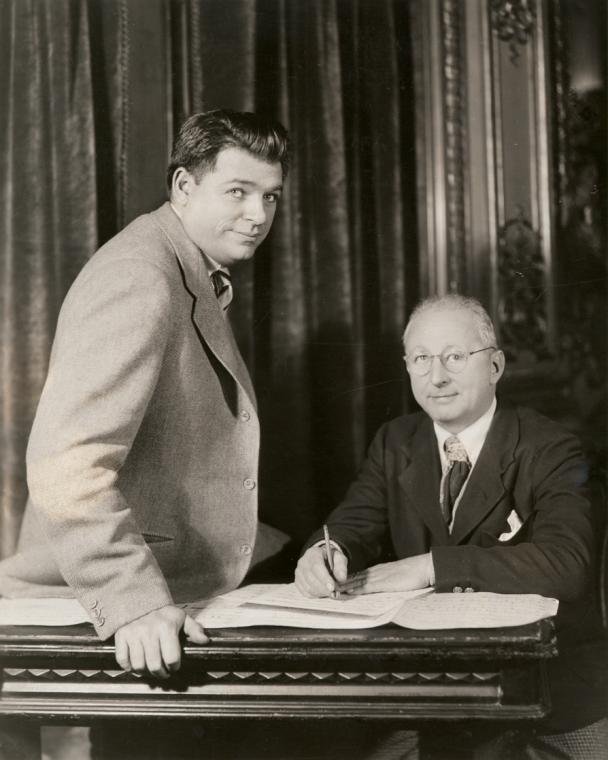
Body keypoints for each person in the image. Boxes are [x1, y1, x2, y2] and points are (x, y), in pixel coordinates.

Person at [0, 109, 290, 678]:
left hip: (184, 567)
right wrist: (134, 602)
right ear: (184, 186)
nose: (258, 215)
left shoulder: (178, 262)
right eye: (239, 192)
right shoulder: (140, 276)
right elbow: (66, 465)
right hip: (112, 592)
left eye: (271, 197)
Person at [296, 294, 608, 759]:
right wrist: (325, 551)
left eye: (456, 357)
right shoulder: (396, 442)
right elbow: (352, 522)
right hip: (434, 697)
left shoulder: (551, 446)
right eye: (421, 359)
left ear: (496, 366)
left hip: (550, 700)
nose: (436, 376)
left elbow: (567, 563)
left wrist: (430, 567)